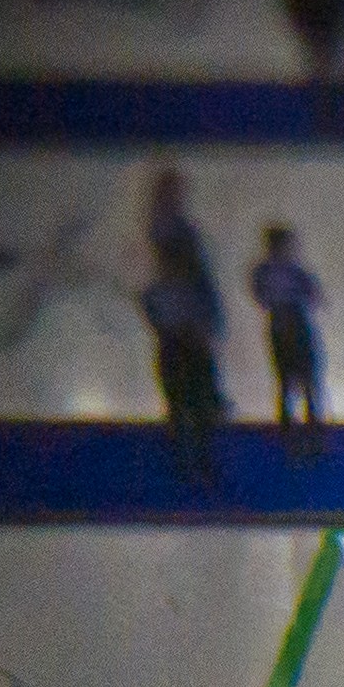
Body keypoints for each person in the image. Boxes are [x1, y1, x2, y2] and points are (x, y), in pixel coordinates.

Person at [141, 167, 228, 486]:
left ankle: (196, 461)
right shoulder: (169, 237)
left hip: (185, 338)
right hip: (182, 340)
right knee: (186, 403)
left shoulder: (177, 239)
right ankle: (192, 462)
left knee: (193, 403)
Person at [250, 224, 328, 457]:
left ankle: (309, 425)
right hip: (286, 322)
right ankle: (295, 428)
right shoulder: (274, 271)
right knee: (290, 377)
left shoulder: (289, 271)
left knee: (303, 377)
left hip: (291, 322)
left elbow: (314, 294)